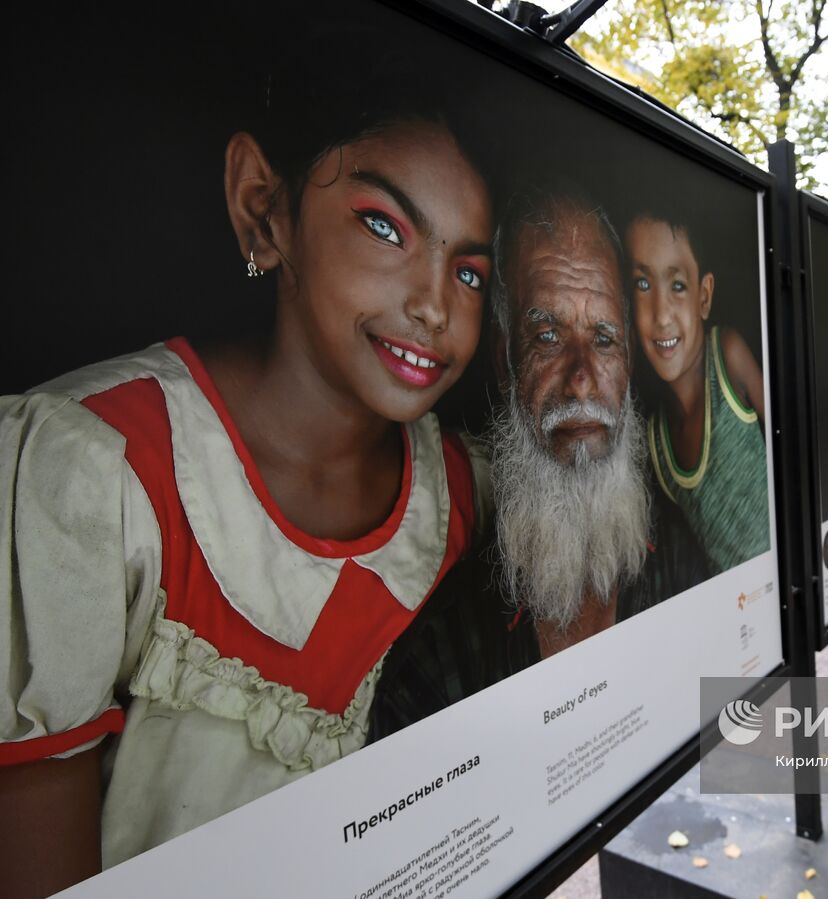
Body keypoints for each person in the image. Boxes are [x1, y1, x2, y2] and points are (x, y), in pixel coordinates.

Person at [0, 42, 492, 894]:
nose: (435, 305)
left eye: (471, 270)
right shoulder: (99, 466)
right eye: (385, 227)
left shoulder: (456, 500)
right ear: (264, 207)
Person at [370, 187, 710, 738]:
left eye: (604, 339)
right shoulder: (440, 662)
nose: (581, 378)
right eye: (548, 337)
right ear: (505, 363)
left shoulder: (675, 557)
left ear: (628, 369)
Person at [623, 207, 770, 573]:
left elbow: (793, 449)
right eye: (643, 284)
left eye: (677, 286)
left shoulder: (728, 357)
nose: (661, 314)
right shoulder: (656, 442)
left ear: (703, 297)